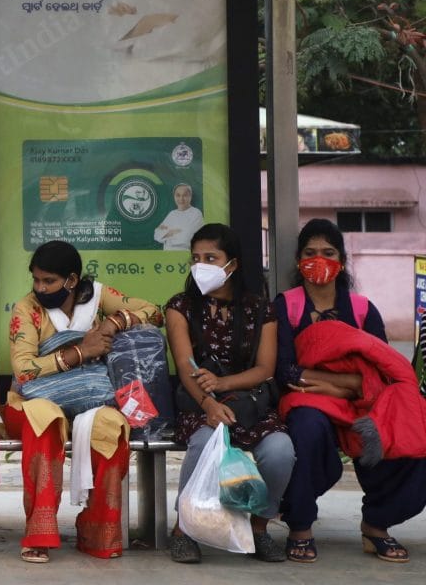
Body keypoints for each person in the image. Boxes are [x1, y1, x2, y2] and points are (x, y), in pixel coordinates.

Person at [275, 218, 426, 564]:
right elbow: (285, 371)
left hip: (361, 401)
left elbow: (381, 370)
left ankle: (376, 524)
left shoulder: (361, 308)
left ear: (341, 260)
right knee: (306, 427)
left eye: (328, 252)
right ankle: (300, 526)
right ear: (299, 260)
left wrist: (343, 386)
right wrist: (343, 385)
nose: (319, 259)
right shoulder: (288, 305)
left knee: (411, 435)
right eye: (310, 253)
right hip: (307, 398)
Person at [3, 240, 160, 562]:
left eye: (49, 281)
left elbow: (154, 311)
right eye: (36, 280)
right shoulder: (28, 308)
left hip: (90, 396)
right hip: (34, 400)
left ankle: (97, 531)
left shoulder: (98, 298)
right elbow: (24, 369)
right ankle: (40, 532)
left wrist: (114, 322)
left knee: (111, 426)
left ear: (72, 281)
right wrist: (81, 352)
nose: (40, 288)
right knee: (45, 422)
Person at [165, 223, 294, 564]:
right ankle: (184, 529)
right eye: (196, 258)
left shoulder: (259, 308)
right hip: (198, 402)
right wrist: (208, 402)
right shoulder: (180, 306)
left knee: (280, 451)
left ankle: (260, 527)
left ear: (232, 264)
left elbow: (265, 368)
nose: (201, 265)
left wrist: (223, 385)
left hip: (249, 403)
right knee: (205, 440)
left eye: (211, 257)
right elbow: (184, 363)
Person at [153, 183, 205, 251]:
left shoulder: (196, 213)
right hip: (168, 256)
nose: (181, 198)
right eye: (178, 195)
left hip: (186, 255)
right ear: (174, 197)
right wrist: (172, 233)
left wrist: (167, 236)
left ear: (190, 196)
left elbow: (187, 238)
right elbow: (157, 235)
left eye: (185, 195)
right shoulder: (172, 214)